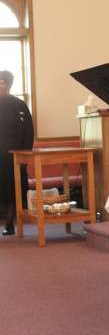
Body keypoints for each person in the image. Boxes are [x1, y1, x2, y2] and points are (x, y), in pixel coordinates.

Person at [0, 70, 34, 236]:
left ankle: (10, 223)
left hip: (13, 155)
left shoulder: (19, 105)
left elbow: (28, 131)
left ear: (8, 85)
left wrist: (25, 155)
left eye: (2, 82)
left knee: (14, 189)